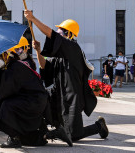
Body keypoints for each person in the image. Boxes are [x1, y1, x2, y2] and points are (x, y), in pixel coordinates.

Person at [25, 11, 109, 142]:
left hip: (72, 98)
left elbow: (50, 34)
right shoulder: (62, 54)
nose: (58, 33)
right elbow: (45, 66)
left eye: (61, 31)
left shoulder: (72, 48)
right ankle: (53, 130)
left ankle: (99, 126)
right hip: (59, 94)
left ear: (69, 34)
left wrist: (32, 18)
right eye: (58, 30)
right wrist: (38, 51)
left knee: (74, 135)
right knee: (45, 108)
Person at [0, 40, 71, 148]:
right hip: (34, 101)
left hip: (33, 102)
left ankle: (13, 138)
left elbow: (7, 90)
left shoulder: (16, 66)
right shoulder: (20, 64)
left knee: (6, 105)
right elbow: (11, 86)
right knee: (28, 139)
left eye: (0, 56)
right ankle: (53, 133)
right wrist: (0, 82)